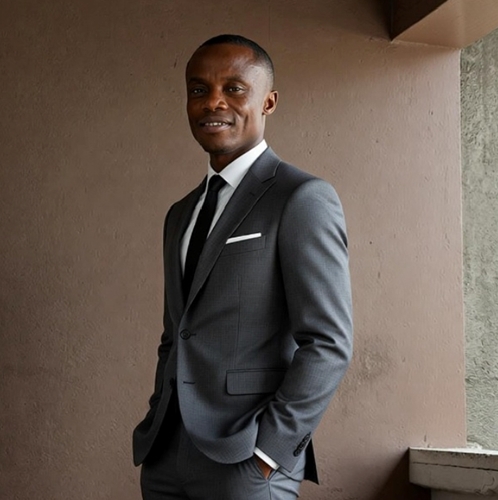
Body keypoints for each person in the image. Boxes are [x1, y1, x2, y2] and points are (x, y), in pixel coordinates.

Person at [133, 34, 353, 500]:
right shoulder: (181, 213)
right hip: (165, 455)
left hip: (246, 459)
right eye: (198, 89)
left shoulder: (300, 198)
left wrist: (270, 451)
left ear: (268, 102)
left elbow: (329, 342)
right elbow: (176, 334)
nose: (213, 102)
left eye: (234, 88)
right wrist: (158, 418)